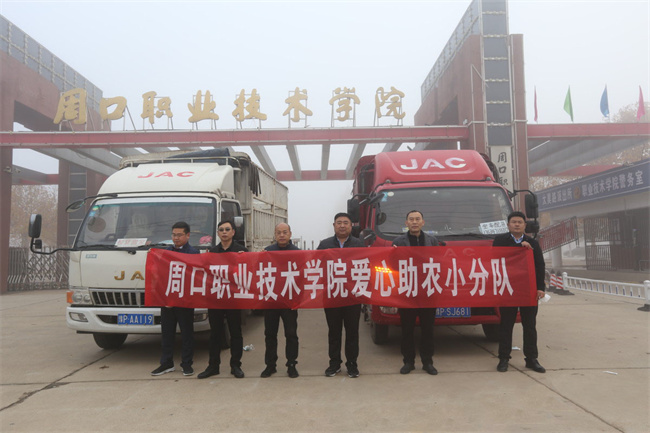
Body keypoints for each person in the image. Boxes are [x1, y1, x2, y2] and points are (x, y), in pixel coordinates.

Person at [493, 211, 546, 373]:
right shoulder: (500, 241)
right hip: (508, 289)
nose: (517, 224)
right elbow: (495, 258)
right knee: (506, 325)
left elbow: (540, 265)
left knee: (529, 325)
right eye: (514, 222)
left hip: (528, 290)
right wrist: (518, 248)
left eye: (520, 222)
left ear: (525, 225)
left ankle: (531, 359)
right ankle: (503, 359)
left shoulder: (533, 242)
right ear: (508, 225)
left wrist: (540, 288)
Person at [197, 219, 248, 379]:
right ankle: (213, 366)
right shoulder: (212, 253)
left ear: (233, 232)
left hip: (234, 299)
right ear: (218, 233)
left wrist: (245, 259)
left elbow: (249, 273)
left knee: (235, 333)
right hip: (216, 298)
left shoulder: (242, 251)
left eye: (227, 229)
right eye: (221, 230)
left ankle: (236, 365)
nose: (224, 232)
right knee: (215, 334)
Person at [392, 210, 440, 375]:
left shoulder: (432, 241)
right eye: (411, 219)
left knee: (428, 329)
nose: (414, 222)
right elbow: (393, 265)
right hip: (407, 291)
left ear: (422, 222)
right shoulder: (398, 242)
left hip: (427, 291)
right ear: (406, 223)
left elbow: (439, 262)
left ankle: (428, 362)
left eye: (417, 219)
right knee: (407, 329)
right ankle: (408, 362)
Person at [317, 212, 364, 378]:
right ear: (334, 225)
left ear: (351, 226)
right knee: (334, 331)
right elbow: (316, 266)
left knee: (352, 332)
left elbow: (367, 266)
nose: (342, 226)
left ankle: (352, 364)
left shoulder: (359, 244)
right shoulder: (324, 245)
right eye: (339, 223)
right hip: (332, 295)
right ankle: (334, 363)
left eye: (345, 223)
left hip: (353, 296)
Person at [151, 221, 199, 377]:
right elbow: (160, 276)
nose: (176, 238)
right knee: (167, 333)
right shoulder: (166, 253)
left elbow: (195, 278)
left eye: (179, 235)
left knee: (187, 334)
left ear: (188, 235)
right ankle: (166, 363)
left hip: (185, 301)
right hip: (168, 301)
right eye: (173, 235)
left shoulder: (193, 253)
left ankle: (187, 364)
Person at [260, 222, 300, 379]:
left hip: (289, 301)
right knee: (270, 334)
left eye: (285, 232)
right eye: (279, 232)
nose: (282, 235)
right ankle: (270, 365)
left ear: (290, 234)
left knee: (291, 334)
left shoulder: (297, 253)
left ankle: (291, 364)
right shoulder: (267, 252)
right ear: (275, 235)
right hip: (271, 300)